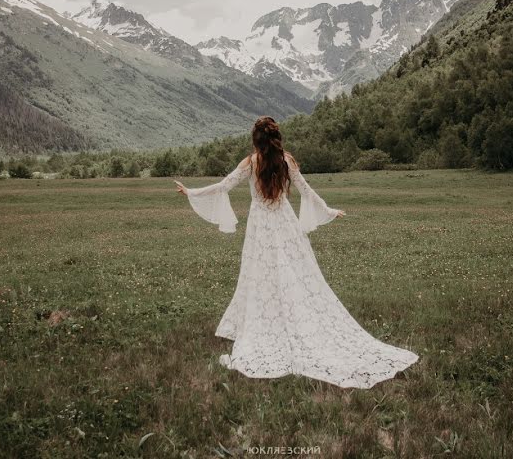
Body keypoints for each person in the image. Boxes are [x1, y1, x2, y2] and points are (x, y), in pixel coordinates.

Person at [175, 116, 419, 388]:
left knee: (260, 273)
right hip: (284, 222)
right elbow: (306, 190)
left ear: (256, 140)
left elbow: (223, 186)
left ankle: (267, 322)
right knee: (294, 271)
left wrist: (191, 192)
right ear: (276, 137)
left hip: (261, 227)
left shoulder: (251, 162)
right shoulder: (286, 161)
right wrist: (328, 210)